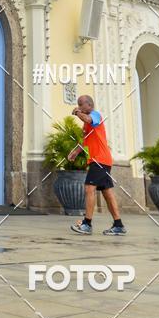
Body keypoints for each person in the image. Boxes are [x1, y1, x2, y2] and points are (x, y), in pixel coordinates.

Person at [68, 94, 126, 235]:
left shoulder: (96, 115)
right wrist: (76, 152)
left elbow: (88, 118)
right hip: (100, 160)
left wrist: (77, 112)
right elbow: (85, 141)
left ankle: (87, 224)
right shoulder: (86, 123)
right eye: (78, 104)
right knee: (107, 193)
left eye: (81, 104)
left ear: (89, 105)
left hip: (99, 160)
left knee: (89, 188)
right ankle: (118, 225)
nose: (80, 106)